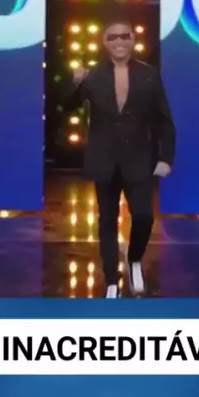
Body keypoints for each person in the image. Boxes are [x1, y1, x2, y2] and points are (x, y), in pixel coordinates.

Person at [63, 20, 176, 298]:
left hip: (140, 160)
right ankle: (112, 280)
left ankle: (134, 258)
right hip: (104, 160)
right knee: (107, 222)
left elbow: (165, 120)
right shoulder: (92, 75)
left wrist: (166, 158)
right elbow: (69, 107)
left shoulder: (149, 75)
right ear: (105, 42)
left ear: (133, 40)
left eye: (124, 36)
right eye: (112, 37)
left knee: (143, 217)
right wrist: (75, 83)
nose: (119, 41)